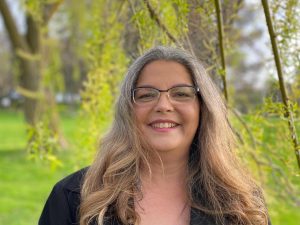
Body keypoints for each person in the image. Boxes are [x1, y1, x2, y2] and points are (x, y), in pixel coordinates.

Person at [39, 46, 270, 225]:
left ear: (203, 107)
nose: (163, 105)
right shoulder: (74, 197)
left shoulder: (243, 203)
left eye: (181, 93)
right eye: (146, 95)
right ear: (128, 109)